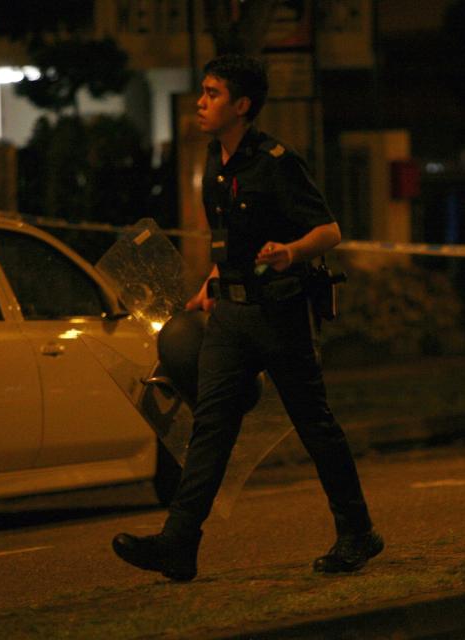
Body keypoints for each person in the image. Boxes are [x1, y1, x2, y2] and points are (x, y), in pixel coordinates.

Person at [112, 54, 382, 581]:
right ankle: (178, 544)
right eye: (203, 91)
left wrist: (292, 251)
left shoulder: (277, 162)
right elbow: (226, 245)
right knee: (210, 428)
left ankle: (357, 532)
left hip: (280, 311)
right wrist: (209, 286)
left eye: (213, 93)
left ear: (242, 105)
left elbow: (329, 231)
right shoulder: (216, 161)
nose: (201, 101)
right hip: (231, 317)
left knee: (314, 424)